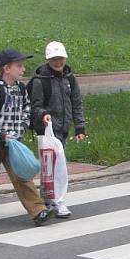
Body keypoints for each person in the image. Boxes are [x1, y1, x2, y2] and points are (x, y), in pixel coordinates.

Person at [0, 49, 52, 226]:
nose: (23, 69)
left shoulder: (21, 89)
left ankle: (38, 211)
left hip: (13, 143)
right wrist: (1, 134)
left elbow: (26, 109)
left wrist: (22, 127)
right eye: (19, 66)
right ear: (6, 69)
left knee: (22, 176)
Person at [30, 40, 87, 218]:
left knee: (57, 166)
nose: (58, 62)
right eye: (54, 59)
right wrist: (43, 114)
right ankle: (53, 201)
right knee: (50, 167)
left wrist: (80, 127)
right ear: (48, 60)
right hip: (46, 130)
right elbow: (35, 105)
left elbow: (76, 102)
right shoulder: (41, 81)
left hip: (62, 128)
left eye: (60, 58)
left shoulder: (70, 78)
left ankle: (53, 199)